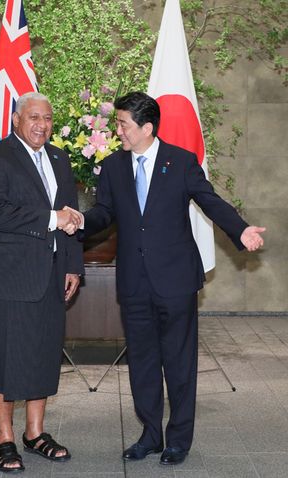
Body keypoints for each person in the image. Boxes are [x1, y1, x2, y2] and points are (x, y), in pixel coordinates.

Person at [72, 91, 265, 466]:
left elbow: (209, 200)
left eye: (124, 124)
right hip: (133, 282)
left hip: (175, 279)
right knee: (142, 361)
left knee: (178, 361)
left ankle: (178, 438)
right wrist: (79, 222)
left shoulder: (180, 161)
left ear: (146, 127)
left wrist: (239, 230)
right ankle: (149, 434)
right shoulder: (112, 167)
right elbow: (104, 214)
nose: (119, 131)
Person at [0, 92, 84, 473]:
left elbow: (71, 216)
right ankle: (4, 439)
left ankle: (36, 434)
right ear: (16, 120)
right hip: (8, 276)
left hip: (51, 275)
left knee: (42, 354)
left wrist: (72, 267)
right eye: (34, 117)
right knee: (4, 357)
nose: (42, 125)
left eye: (48, 118)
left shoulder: (58, 158)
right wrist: (52, 218)